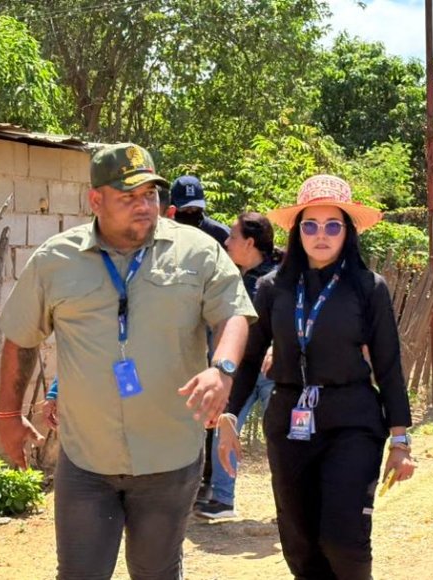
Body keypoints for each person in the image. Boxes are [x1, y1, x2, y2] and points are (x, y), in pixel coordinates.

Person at [0, 143, 254, 580]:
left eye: (150, 194)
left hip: (170, 456)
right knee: (79, 574)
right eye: (128, 196)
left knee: (156, 572)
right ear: (95, 200)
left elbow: (233, 313)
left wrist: (223, 369)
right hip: (86, 459)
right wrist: (8, 414)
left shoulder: (197, 251)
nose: (144, 206)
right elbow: (21, 339)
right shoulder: (56, 260)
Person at [217, 175, 415, 579]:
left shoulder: (368, 288)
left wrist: (400, 440)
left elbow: (389, 365)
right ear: (297, 232)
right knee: (300, 543)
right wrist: (230, 415)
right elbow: (250, 358)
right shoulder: (272, 288)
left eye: (332, 225)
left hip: (353, 420)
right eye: (310, 225)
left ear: (348, 231)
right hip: (289, 421)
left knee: (343, 539)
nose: (320, 235)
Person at [195, 212, 281, 520]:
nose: (227, 242)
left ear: (249, 242)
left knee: (282, 440)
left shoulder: (279, 280)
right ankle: (222, 499)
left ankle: (292, 503)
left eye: (233, 236)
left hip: (272, 373)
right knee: (225, 427)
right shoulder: (232, 277)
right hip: (238, 372)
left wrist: (277, 347)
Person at [169, 174, 230, 502]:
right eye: (185, 212)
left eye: (196, 211)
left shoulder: (219, 234)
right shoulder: (161, 235)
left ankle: (206, 477)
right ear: (173, 209)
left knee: (207, 399)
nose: (191, 217)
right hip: (173, 328)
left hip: (210, 326)